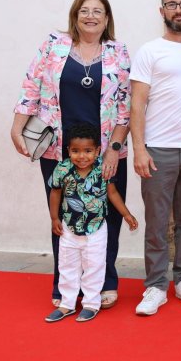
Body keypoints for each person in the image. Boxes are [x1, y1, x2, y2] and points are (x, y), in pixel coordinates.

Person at [12, 0, 131, 311]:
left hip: (105, 150)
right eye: (85, 11)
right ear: (75, 15)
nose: (91, 16)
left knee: (106, 217)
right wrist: (17, 125)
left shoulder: (118, 51)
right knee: (64, 216)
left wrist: (113, 150)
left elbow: (125, 107)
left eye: (98, 11)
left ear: (107, 19)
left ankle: (105, 281)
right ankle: (65, 284)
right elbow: (31, 85)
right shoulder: (54, 44)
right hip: (59, 148)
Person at [130, 0, 181, 315]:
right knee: (158, 222)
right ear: (162, 11)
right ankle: (156, 286)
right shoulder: (150, 51)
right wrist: (139, 149)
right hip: (158, 149)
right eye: (172, 4)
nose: (179, 9)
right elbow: (137, 104)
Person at [44, 123, 138, 323]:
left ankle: (91, 304)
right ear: (69, 150)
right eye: (76, 151)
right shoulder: (63, 169)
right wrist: (54, 218)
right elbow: (55, 192)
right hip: (69, 227)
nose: (81, 156)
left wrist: (127, 214)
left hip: (96, 228)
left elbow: (112, 194)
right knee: (67, 265)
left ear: (97, 150)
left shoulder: (103, 169)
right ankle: (67, 304)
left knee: (94, 266)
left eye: (88, 151)